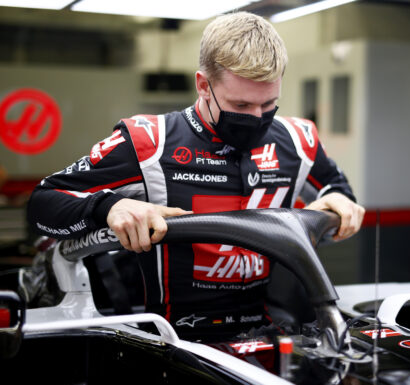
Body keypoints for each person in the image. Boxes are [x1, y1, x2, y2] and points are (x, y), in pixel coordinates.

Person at [26, 12, 364, 340]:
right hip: (167, 340)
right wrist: (110, 207)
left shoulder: (297, 141)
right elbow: (43, 204)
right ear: (203, 85)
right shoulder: (150, 141)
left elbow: (338, 190)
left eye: (269, 104)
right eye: (242, 106)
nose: (258, 118)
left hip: (260, 330)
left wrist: (341, 200)